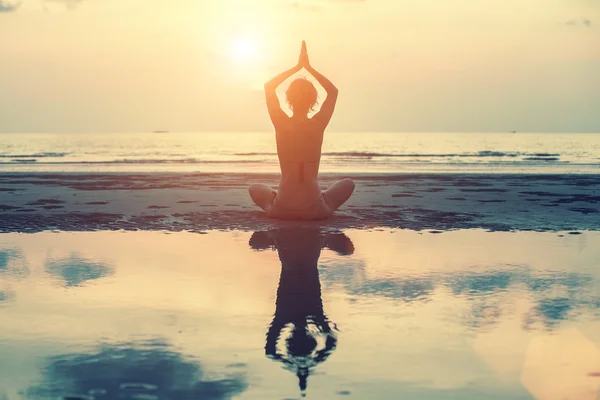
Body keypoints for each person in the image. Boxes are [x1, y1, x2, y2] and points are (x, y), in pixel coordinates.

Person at [248, 41, 355, 220]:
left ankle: (273, 201)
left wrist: (296, 68)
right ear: (314, 101)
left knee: (254, 188)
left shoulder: (281, 123)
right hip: (314, 210)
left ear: (288, 99)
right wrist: (308, 68)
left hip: (282, 209)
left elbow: (269, 87)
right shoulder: (318, 124)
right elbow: (333, 92)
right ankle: (321, 201)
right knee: (348, 184)